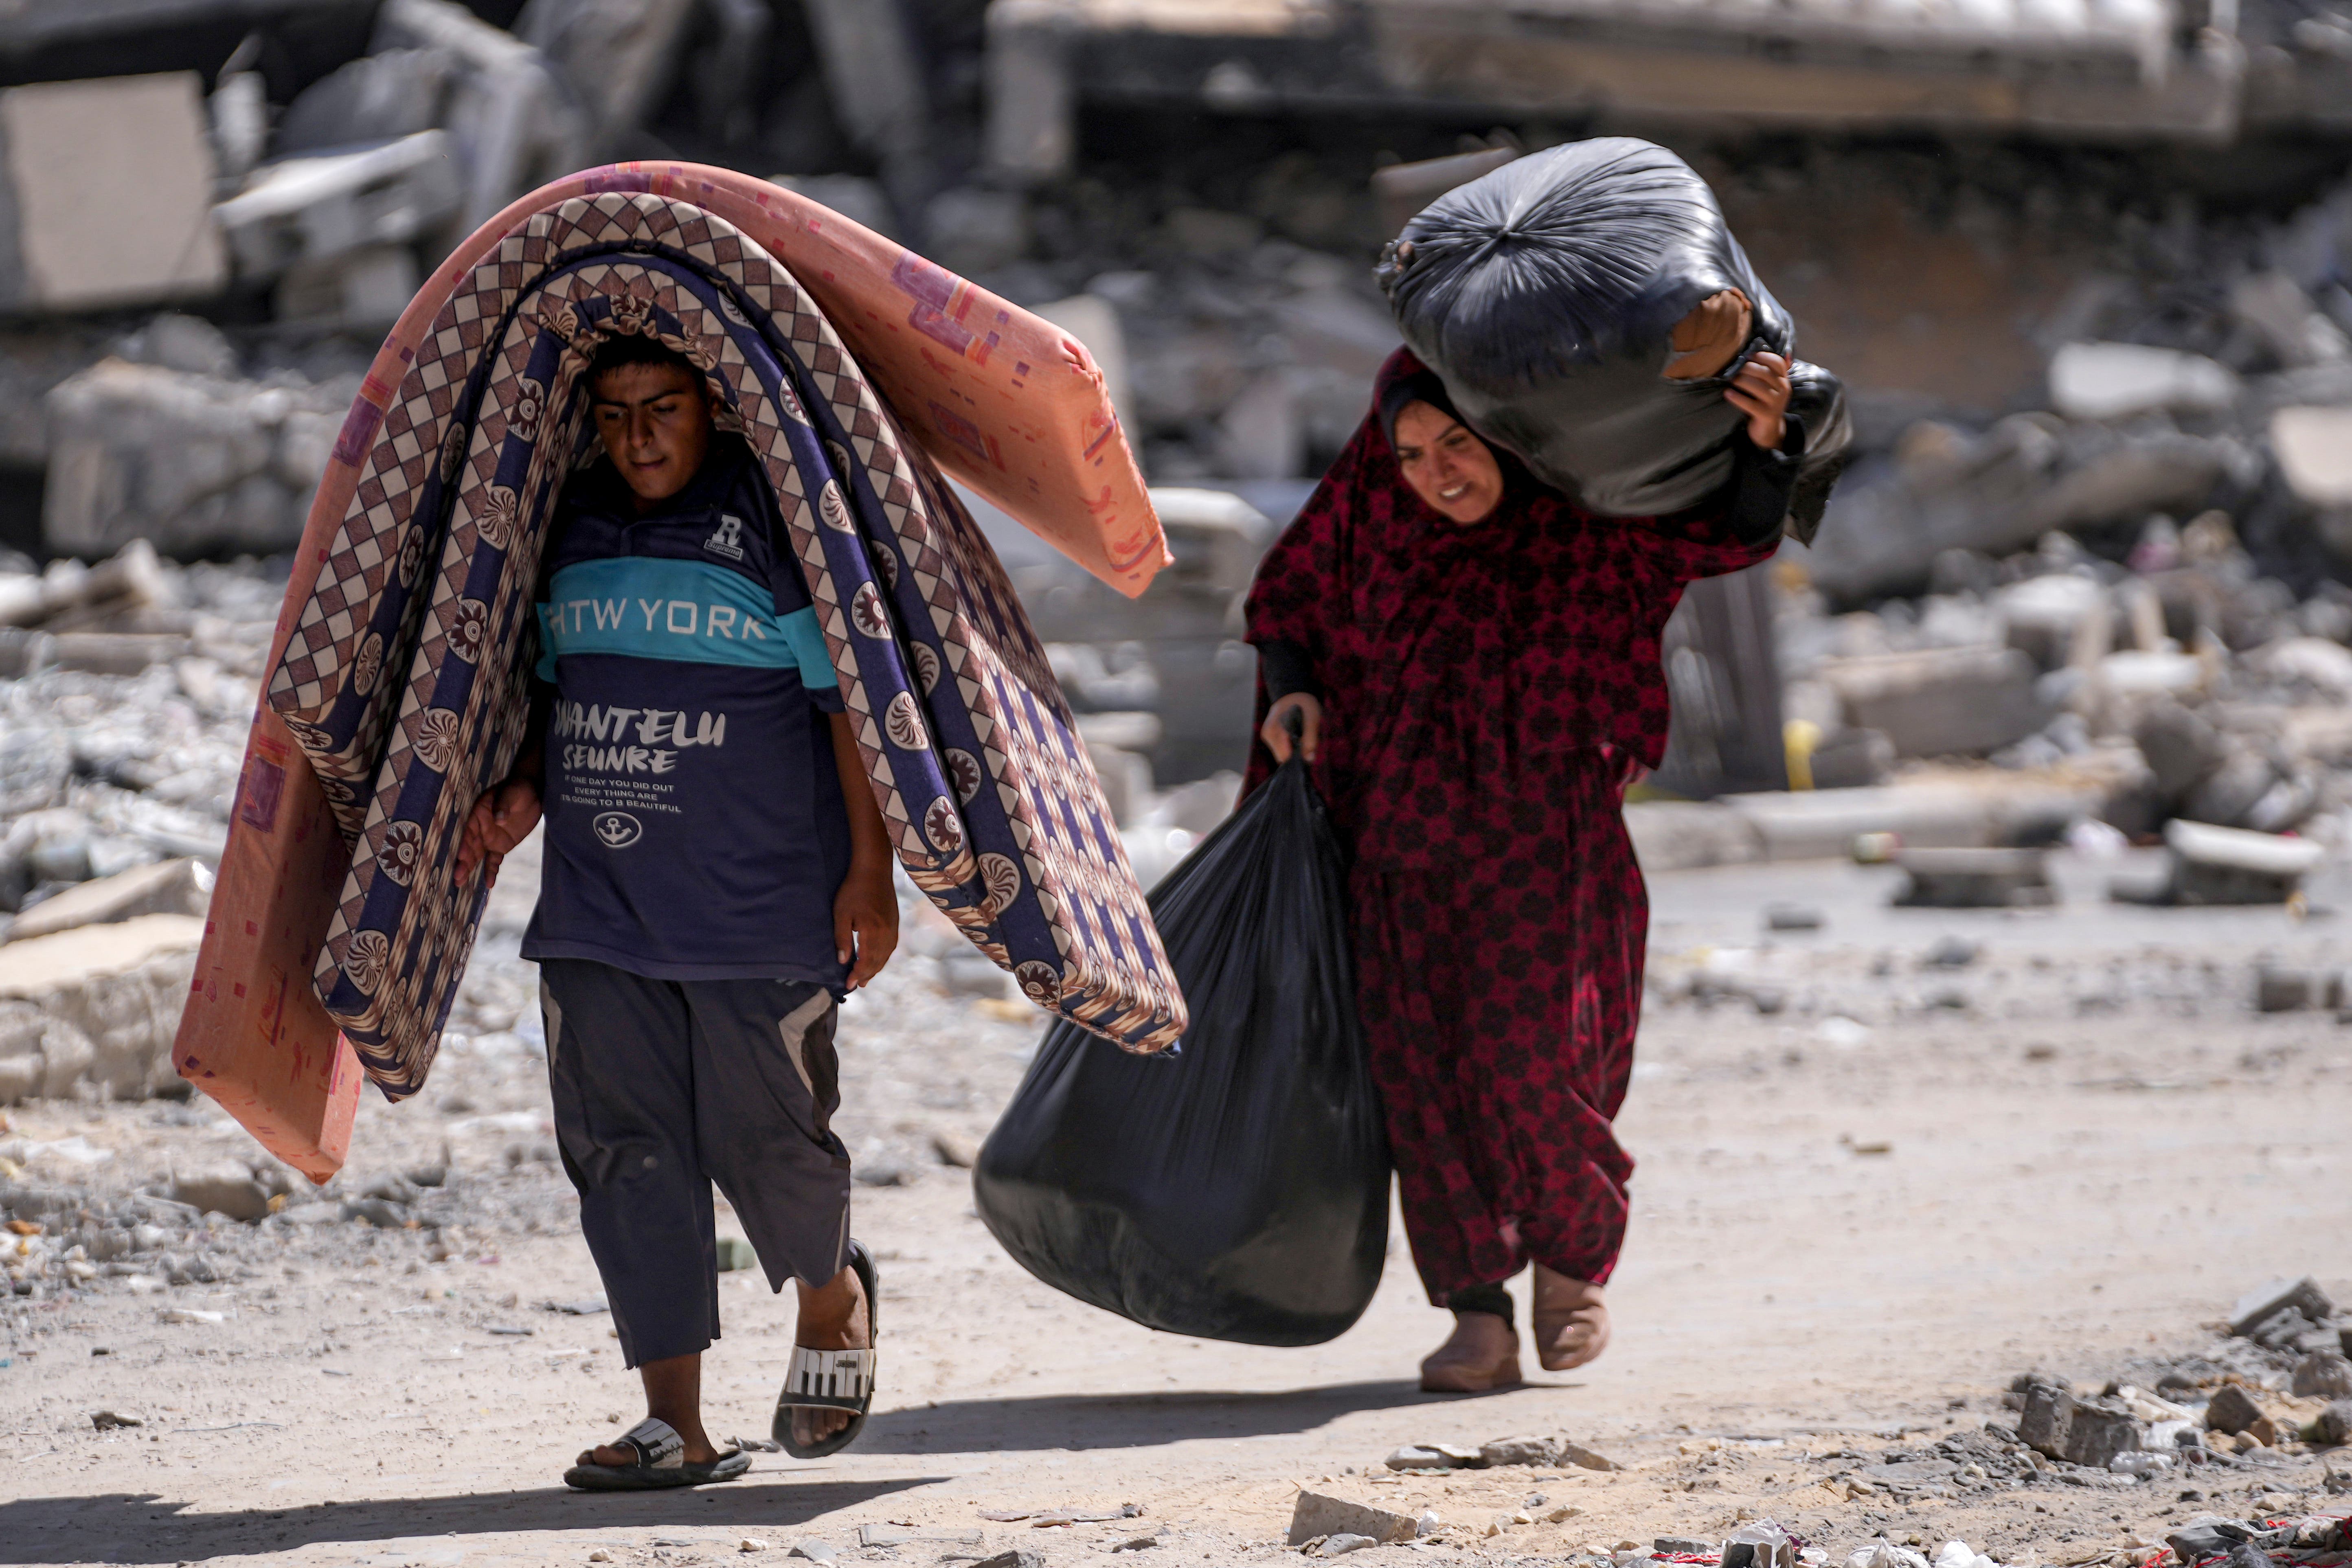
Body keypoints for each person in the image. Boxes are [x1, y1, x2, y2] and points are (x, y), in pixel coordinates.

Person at [1242, 336, 1801, 1393]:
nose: (1435, 472)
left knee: (1529, 1063)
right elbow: (1287, 601)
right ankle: (1478, 1313)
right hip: (1396, 853)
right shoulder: (1374, 521)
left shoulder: (1586, 532)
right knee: (1422, 1088)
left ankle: (1569, 1259)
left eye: (1458, 441)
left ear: (1504, 435)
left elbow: (1722, 535)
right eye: (1409, 453)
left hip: (1548, 853)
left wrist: (1763, 443)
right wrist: (1293, 688)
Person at [452, 332, 901, 1486]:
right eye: (612, 414)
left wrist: (870, 870)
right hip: (600, 907)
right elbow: (560, 686)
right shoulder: (574, 523)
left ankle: (830, 1288)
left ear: (717, 411)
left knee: (770, 1139)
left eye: (662, 408)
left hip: (758, 903)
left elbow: (847, 705)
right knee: (625, 1156)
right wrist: (526, 791)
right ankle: (675, 1425)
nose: (638, 437)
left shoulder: (775, 519)